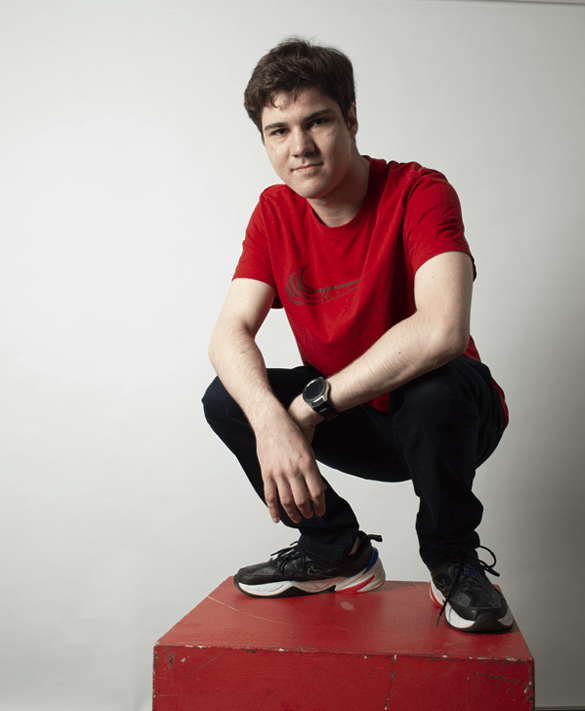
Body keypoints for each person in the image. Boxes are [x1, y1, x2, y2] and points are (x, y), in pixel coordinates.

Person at [202, 38, 512, 633]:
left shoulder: (419, 191)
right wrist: (272, 423)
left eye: (316, 121)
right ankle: (335, 549)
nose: (299, 147)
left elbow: (443, 329)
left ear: (350, 118)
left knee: (436, 387)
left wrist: (309, 407)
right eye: (278, 131)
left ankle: (452, 558)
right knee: (228, 396)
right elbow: (229, 334)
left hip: (450, 421)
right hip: (357, 420)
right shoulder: (275, 212)